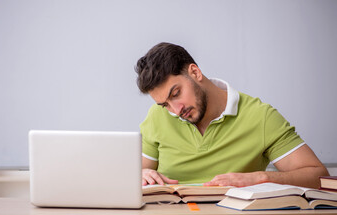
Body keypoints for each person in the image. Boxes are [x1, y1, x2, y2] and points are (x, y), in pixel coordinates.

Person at [135, 42, 329, 189]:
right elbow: (139, 173)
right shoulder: (157, 117)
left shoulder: (260, 117)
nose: (176, 111)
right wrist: (141, 175)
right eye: (165, 104)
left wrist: (262, 178)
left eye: (176, 94)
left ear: (194, 72)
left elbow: (318, 176)